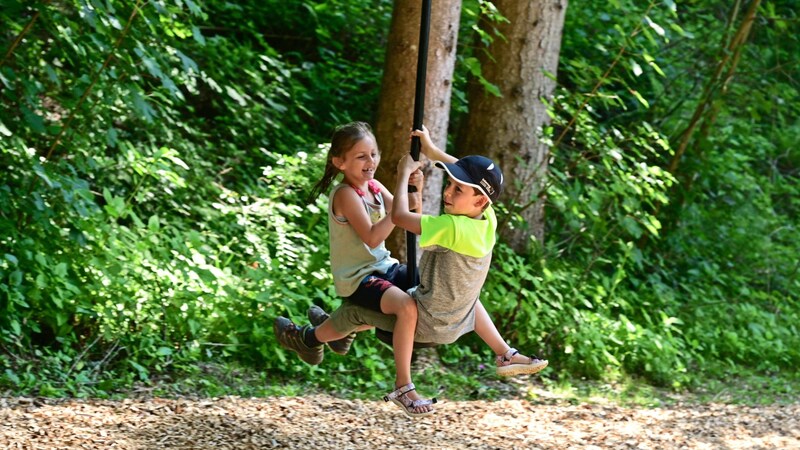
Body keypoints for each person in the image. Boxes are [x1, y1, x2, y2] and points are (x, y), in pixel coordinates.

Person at [321, 125, 548, 376]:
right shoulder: (486, 215)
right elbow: (462, 183)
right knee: (409, 302)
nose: (448, 191)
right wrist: (430, 154)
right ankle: (505, 353)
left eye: (373, 154)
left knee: (390, 308)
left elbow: (400, 214)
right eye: (362, 155)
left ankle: (339, 332)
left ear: (480, 199)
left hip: (395, 282)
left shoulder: (451, 226)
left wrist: (405, 177)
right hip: (365, 275)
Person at [273, 121, 436, 418]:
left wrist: (415, 190)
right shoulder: (346, 194)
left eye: (373, 154)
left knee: (425, 285)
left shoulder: (374, 186)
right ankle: (404, 385)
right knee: (407, 307)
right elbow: (374, 235)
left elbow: (411, 215)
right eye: (361, 156)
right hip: (360, 278)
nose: (370, 162)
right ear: (339, 162)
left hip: (382, 267)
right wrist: (400, 195)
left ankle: (330, 332)